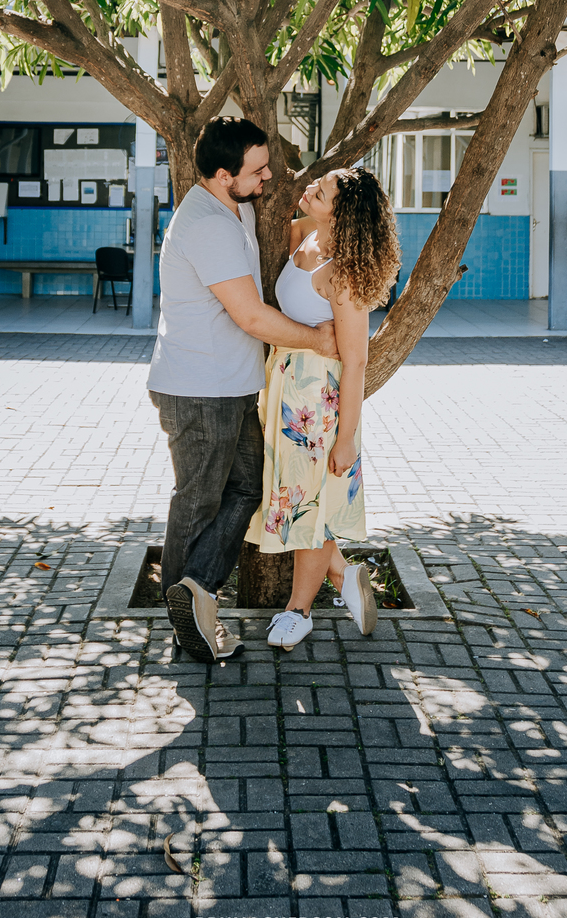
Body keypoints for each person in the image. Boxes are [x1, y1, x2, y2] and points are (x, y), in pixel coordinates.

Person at [147, 115, 341, 665]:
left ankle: (196, 590)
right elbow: (252, 317)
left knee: (246, 488)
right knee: (199, 500)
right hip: (199, 388)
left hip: (229, 386)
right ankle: (185, 618)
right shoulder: (205, 223)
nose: (269, 178)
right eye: (257, 170)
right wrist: (317, 339)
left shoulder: (237, 207)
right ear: (222, 173)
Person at [244, 166, 400, 650]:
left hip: (316, 405)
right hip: (281, 387)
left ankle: (298, 612)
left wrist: (347, 437)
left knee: (308, 506)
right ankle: (344, 576)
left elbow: (356, 361)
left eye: (324, 190)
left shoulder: (346, 275)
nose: (313, 187)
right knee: (296, 501)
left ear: (345, 211)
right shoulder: (304, 233)